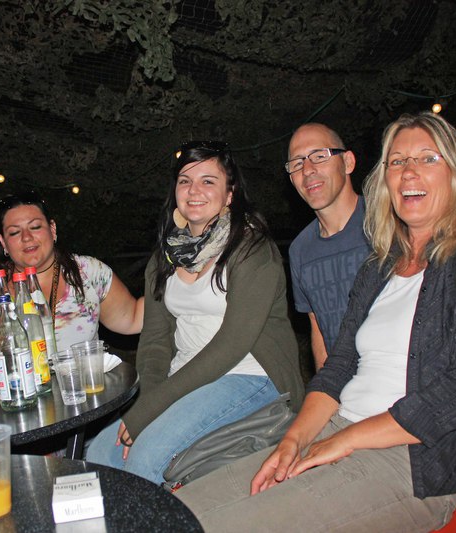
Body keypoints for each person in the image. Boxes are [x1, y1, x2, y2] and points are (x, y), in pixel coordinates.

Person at [175, 113, 456, 532]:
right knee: (179, 509)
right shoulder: (379, 267)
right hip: (338, 427)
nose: (409, 171)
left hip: (413, 461)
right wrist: (294, 440)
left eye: (427, 158)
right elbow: (339, 366)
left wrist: (343, 441)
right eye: (397, 161)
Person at [85, 141, 304, 484]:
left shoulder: (251, 249)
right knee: (100, 453)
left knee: (147, 458)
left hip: (249, 375)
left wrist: (151, 409)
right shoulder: (166, 256)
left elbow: (232, 344)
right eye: (185, 181)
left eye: (208, 181)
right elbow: (155, 342)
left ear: (229, 194)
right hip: (185, 377)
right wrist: (147, 401)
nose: (194, 190)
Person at [0, 190, 144, 348]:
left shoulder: (87, 271)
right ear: (3, 242)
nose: (27, 237)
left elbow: (133, 317)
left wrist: (162, 274)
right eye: (14, 232)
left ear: (52, 229)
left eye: (35, 227)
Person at [286, 123, 370, 373]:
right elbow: (318, 329)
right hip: (342, 385)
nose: (308, 170)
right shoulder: (300, 250)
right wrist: (324, 388)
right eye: (297, 163)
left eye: (319, 156)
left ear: (348, 162)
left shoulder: (387, 223)